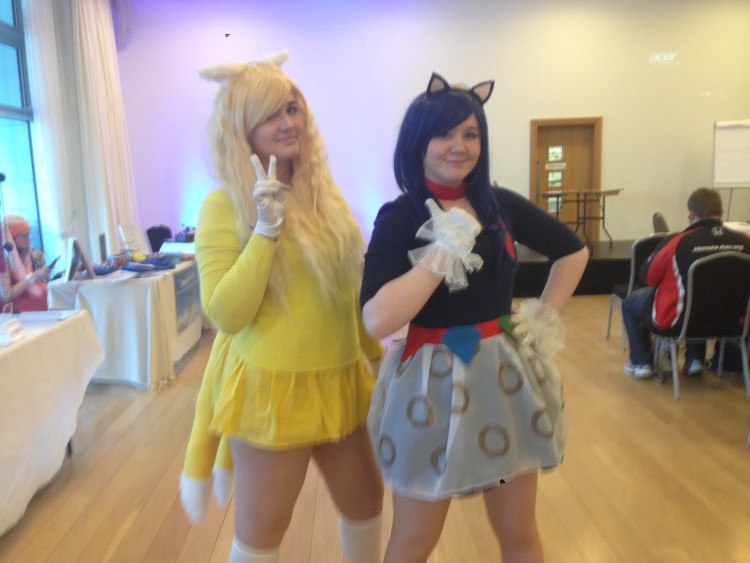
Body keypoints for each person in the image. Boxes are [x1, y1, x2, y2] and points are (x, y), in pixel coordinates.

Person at [361, 72, 589, 562]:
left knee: (518, 530)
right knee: (414, 538)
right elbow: (376, 319)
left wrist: (543, 316)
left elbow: (573, 251)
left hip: (500, 391)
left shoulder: (499, 205)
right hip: (428, 394)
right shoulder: (400, 215)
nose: (458, 146)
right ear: (418, 142)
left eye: (470, 134)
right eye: (444, 134)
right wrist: (441, 252)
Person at [179, 52, 384, 563]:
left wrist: (378, 358)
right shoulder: (224, 205)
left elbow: (346, 293)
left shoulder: (326, 200)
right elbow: (225, 314)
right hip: (273, 390)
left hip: (339, 380)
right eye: (269, 114)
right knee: (262, 532)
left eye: (292, 109)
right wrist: (264, 232)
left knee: (366, 504)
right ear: (242, 128)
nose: (287, 122)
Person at [622, 187, 750, 379]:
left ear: (691, 216)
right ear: (721, 213)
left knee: (630, 302)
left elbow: (648, 277)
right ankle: (695, 360)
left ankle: (641, 362)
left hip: (680, 321)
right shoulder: (745, 242)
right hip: (732, 322)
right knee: (709, 293)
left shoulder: (677, 242)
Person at [0, 215, 50, 312]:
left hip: (25, 300)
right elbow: (6, 296)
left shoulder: (23, 252)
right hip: (11, 309)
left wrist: (40, 275)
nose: (29, 239)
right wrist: (34, 276)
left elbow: (26, 282)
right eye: (24, 235)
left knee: (55, 291)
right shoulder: (3, 259)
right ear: (11, 238)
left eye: (29, 234)